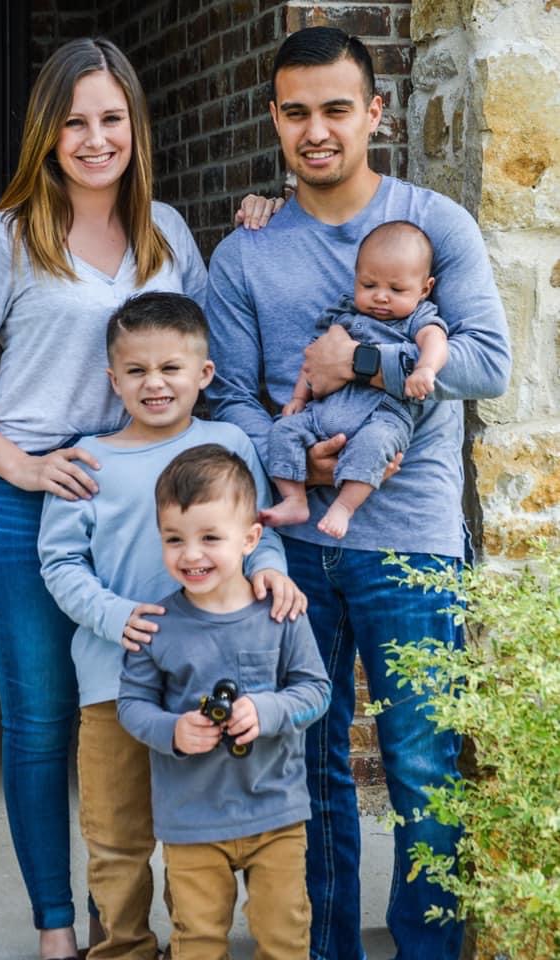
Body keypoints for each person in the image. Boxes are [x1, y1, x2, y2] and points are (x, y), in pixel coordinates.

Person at [0, 36, 280, 960]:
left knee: (151, 706)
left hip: (155, 509)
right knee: (44, 719)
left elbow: (206, 354)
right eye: (74, 121)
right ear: (48, 133)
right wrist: (22, 466)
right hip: (27, 501)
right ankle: (57, 927)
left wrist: (266, 223)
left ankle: (168, 916)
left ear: (135, 126)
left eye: (111, 119)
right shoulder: (6, 239)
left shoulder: (167, 231)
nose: (94, 138)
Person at [205, 26, 511, 960]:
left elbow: (488, 363)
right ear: (274, 120)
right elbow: (226, 397)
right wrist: (302, 463)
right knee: (312, 768)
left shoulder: (436, 224)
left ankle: (427, 951)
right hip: (294, 550)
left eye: (337, 108)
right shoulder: (244, 252)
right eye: (296, 112)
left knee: (422, 769)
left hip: (412, 546)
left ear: (374, 113)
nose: (317, 130)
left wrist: (365, 360)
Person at [38, 291, 306, 959]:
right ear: (112, 380)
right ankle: (124, 947)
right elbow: (60, 560)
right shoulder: (87, 459)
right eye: (135, 371)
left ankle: (196, 940)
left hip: (220, 676)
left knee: (200, 841)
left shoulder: (229, 442)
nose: (154, 384)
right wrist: (116, 613)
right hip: (114, 679)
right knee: (118, 834)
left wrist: (271, 567)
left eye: (171, 368)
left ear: (204, 375)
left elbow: (259, 531)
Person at [117, 444, 331, 960]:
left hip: (275, 813)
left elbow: (316, 692)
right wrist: (172, 731)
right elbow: (132, 704)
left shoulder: (281, 613)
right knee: (197, 940)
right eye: (174, 539)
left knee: (284, 938)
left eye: (210, 537)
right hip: (192, 819)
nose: (191, 555)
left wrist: (268, 710)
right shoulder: (156, 626)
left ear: (250, 539)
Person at [262, 220, 447, 538]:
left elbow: (436, 341)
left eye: (396, 289)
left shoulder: (419, 317)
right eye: (369, 285)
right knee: (282, 431)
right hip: (324, 410)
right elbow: (313, 359)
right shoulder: (344, 314)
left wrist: (425, 370)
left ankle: (345, 507)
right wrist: (298, 399)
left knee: (374, 447)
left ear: (424, 288)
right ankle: (294, 498)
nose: (381, 297)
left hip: (383, 415)